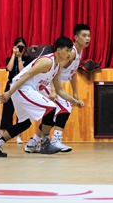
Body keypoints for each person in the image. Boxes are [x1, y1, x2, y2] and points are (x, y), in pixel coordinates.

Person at [0, 36, 85, 158]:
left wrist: (75, 101)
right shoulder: (47, 61)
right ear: (58, 50)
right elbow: (26, 75)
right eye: (67, 50)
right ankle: (45, 143)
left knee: (25, 123)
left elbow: (59, 90)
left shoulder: (57, 67)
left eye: (70, 51)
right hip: (22, 88)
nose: (69, 54)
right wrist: (9, 92)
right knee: (51, 107)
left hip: (28, 90)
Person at [25, 24, 90, 153]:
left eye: (89, 36)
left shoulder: (79, 52)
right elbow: (56, 67)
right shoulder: (71, 52)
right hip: (46, 83)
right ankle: (56, 140)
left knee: (54, 114)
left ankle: (33, 142)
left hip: (51, 84)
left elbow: (73, 73)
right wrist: (53, 90)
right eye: (84, 35)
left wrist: (75, 92)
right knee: (65, 106)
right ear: (76, 38)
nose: (87, 38)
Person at [0, 38, 32, 144]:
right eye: (18, 46)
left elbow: (23, 72)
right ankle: (1, 135)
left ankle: (18, 136)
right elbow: (9, 68)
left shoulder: (28, 59)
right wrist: (14, 55)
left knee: (20, 112)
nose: (20, 48)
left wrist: (20, 57)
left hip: (22, 87)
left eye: (22, 47)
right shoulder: (10, 58)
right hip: (10, 86)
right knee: (7, 110)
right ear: (14, 47)